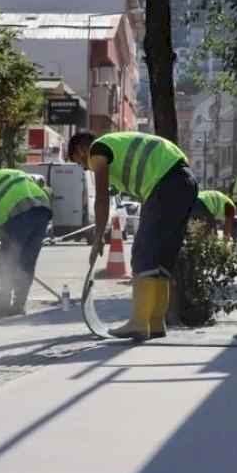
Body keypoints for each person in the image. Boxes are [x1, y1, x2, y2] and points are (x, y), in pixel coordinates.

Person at [68, 131, 197, 342]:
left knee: (143, 253)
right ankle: (155, 323)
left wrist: (98, 236)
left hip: (164, 183)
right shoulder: (117, 144)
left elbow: (101, 197)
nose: (85, 167)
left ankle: (139, 323)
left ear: (82, 149)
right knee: (162, 256)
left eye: (80, 162)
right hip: (185, 181)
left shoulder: (98, 149)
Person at [0, 168, 53, 314]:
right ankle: (19, 305)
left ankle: (3, 302)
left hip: (17, 212)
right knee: (28, 261)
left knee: (9, 260)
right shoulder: (15, 174)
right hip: (43, 209)